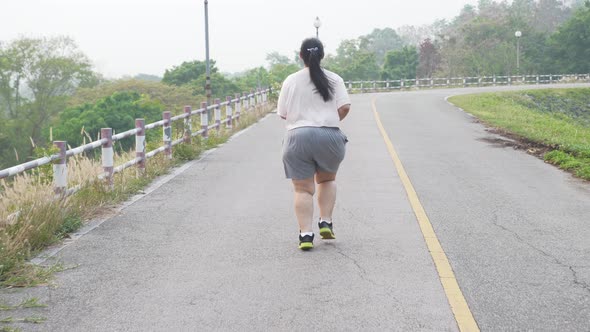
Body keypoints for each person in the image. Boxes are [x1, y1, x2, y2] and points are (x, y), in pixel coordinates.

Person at [277, 37, 351, 250]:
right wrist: (329, 121)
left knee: (302, 190)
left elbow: (283, 114)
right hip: (329, 136)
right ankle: (325, 221)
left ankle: (306, 234)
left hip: (297, 136)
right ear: (322, 55)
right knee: (327, 180)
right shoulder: (335, 79)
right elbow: (345, 107)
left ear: (301, 56)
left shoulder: (290, 80)